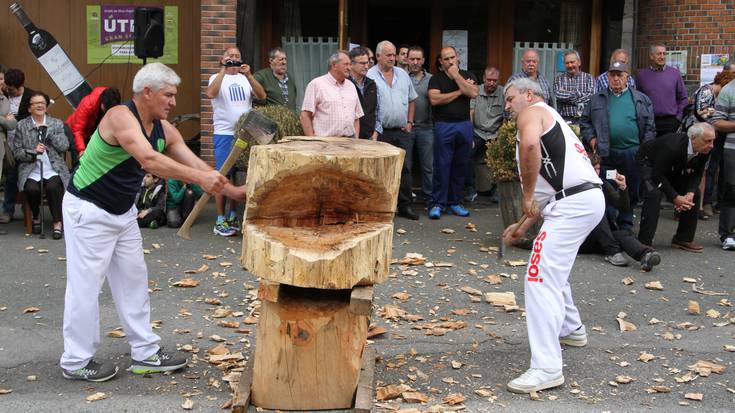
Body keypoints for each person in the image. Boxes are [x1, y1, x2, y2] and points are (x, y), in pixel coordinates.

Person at [60, 62, 244, 382]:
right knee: (85, 287)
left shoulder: (165, 129)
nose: (173, 102)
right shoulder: (119, 116)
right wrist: (202, 178)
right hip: (88, 210)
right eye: (168, 95)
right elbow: (149, 160)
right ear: (147, 92)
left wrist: (233, 191)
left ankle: (145, 352)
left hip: (122, 213)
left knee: (134, 281)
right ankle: (76, 360)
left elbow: (195, 164)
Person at [502, 78, 604, 394]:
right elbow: (543, 199)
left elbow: (531, 148)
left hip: (573, 203)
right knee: (551, 268)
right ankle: (571, 328)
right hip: (578, 200)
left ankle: (547, 367)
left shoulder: (532, 112)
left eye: (510, 98)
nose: (507, 106)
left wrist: (527, 193)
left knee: (538, 278)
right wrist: (519, 228)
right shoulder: (549, 119)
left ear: (529, 94)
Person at [580, 60, 656, 231]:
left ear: (627, 77)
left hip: (633, 153)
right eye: (612, 75)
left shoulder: (641, 99)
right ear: (607, 77)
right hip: (608, 153)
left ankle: (626, 225)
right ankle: (611, 225)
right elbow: (585, 122)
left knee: (631, 189)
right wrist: (592, 138)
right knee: (609, 188)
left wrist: (645, 148)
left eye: (619, 75)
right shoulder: (597, 99)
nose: (615, 79)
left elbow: (650, 126)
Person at [206, 46, 265, 237]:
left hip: (246, 133)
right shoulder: (216, 77)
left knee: (239, 175)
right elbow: (211, 94)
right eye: (230, 56)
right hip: (224, 133)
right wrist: (224, 69)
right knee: (223, 175)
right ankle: (220, 219)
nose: (234, 59)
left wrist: (249, 75)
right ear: (223, 59)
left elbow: (262, 96)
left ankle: (233, 215)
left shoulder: (244, 78)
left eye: (237, 56)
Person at [637, 123, 715, 252]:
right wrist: (675, 197)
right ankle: (644, 242)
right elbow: (658, 175)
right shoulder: (672, 146)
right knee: (654, 194)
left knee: (696, 193)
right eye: (708, 141)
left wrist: (689, 193)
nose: (711, 145)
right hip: (649, 163)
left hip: (672, 166)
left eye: (713, 141)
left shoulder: (705, 149)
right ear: (694, 138)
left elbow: (697, 173)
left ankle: (683, 238)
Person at [579, 152, 661, 271]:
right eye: (592, 168)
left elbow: (623, 207)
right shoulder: (575, 186)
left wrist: (623, 188)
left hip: (602, 237)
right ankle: (612, 252)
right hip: (580, 239)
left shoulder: (601, 184)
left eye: (597, 168)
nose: (596, 172)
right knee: (596, 209)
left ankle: (646, 255)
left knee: (623, 234)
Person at [367, 40, 419, 220]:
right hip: (379, 132)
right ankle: (381, 208)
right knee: (381, 171)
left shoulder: (403, 74)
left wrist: (410, 122)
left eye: (394, 54)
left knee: (405, 170)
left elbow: (412, 99)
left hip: (402, 131)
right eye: (388, 55)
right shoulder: (370, 75)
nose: (393, 58)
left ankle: (405, 206)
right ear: (378, 56)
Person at [427, 46, 478, 219]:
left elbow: (473, 93)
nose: (450, 61)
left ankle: (454, 202)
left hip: (464, 125)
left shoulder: (467, 74)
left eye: (452, 58)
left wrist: (457, 76)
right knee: (442, 166)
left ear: (458, 58)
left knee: (460, 165)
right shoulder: (436, 79)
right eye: (446, 59)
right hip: (444, 125)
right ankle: (437, 204)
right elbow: (434, 99)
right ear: (440, 61)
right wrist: (460, 91)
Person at [10, 91, 68, 239]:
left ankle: (57, 222)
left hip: (53, 168)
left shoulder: (56, 123)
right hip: (31, 169)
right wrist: (32, 152)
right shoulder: (22, 126)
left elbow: (64, 146)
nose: (40, 105)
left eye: (42, 103)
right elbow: (16, 152)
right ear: (29, 108)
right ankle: (36, 216)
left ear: (46, 106)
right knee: (31, 189)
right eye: (36, 103)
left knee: (53, 187)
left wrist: (50, 134)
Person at [682, 71, 735, 219]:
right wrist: (719, 117)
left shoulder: (717, 93)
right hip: (698, 135)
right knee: (700, 170)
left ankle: (702, 204)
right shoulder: (707, 91)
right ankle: (695, 205)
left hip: (711, 136)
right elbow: (701, 113)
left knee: (708, 169)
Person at [0, 68, 36, 224]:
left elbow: (33, 115)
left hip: (25, 143)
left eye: (11, 88)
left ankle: (28, 208)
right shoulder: (4, 95)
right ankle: (8, 210)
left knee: (27, 177)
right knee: (10, 178)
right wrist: (5, 119)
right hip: (7, 143)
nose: (8, 90)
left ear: (20, 85)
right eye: (7, 87)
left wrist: (13, 118)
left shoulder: (30, 96)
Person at [301, 50, 363, 137]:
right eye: (345, 64)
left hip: (350, 142)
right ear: (334, 65)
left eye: (350, 64)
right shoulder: (316, 85)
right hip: (325, 143)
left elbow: (357, 117)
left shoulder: (351, 86)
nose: (349, 68)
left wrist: (355, 138)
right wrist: (312, 140)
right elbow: (305, 116)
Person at [467, 66, 504, 202]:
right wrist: (469, 135)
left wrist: (502, 136)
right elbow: (470, 113)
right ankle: (470, 189)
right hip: (477, 132)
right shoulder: (475, 91)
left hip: (495, 133)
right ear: (484, 79)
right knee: (466, 153)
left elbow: (506, 116)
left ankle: (496, 190)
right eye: (489, 80)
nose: (491, 83)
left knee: (501, 158)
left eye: (495, 80)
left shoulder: (504, 93)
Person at [635, 44, 688, 136]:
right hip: (650, 122)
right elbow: (637, 99)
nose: (662, 57)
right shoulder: (641, 75)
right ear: (651, 56)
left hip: (671, 122)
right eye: (659, 54)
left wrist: (678, 118)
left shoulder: (675, 73)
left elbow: (683, 98)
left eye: (664, 54)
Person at [710, 78, 735, 250]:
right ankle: (728, 234)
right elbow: (717, 122)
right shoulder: (729, 90)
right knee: (731, 190)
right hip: (733, 149)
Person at [407, 46, 434, 205]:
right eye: (412, 59)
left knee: (428, 166)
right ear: (407, 60)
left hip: (427, 127)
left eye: (418, 59)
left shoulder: (431, 79)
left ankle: (430, 199)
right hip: (407, 128)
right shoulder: (401, 77)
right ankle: (407, 199)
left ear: (423, 60)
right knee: (407, 166)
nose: (415, 62)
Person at [65, 87, 121, 157]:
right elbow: (78, 131)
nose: (107, 112)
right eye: (106, 109)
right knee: (79, 160)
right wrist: (81, 149)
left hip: (88, 133)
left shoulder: (111, 99)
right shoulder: (87, 104)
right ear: (102, 102)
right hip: (73, 131)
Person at [253, 47, 298, 114]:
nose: (284, 62)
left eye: (285, 59)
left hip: (290, 122)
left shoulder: (289, 78)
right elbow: (254, 97)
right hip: (271, 121)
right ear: (271, 61)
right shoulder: (261, 76)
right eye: (281, 59)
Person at [554, 50, 595, 123]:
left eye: (572, 62)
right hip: (565, 120)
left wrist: (568, 93)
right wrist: (580, 95)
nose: (570, 65)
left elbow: (591, 98)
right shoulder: (559, 79)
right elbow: (558, 95)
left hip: (585, 120)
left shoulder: (589, 78)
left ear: (579, 62)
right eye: (567, 63)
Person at [348, 47, 379, 140]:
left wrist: (375, 132)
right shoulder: (344, 83)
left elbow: (377, 110)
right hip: (348, 138)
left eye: (367, 62)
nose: (366, 66)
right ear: (351, 64)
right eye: (362, 63)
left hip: (369, 137)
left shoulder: (372, 84)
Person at [0, 66, 18, 187]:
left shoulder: (4, 99)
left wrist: (5, 120)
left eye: (1, 78)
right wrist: (3, 119)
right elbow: (6, 120)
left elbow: (12, 124)